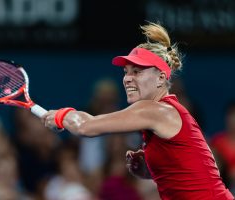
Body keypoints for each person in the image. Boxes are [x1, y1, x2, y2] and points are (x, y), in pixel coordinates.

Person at [41, 22, 234, 200]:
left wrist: (60, 116)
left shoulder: (155, 110)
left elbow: (85, 127)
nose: (127, 78)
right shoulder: (168, 113)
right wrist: (149, 169)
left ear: (160, 78)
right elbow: (192, 171)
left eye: (137, 71)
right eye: (126, 72)